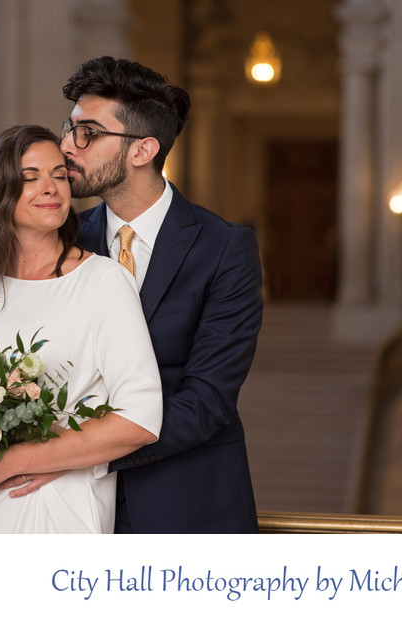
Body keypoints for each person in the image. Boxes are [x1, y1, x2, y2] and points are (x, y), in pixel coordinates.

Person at [0, 124, 162, 533]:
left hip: (50, 513)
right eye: (31, 178)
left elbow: (141, 419)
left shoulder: (103, 282)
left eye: (60, 175)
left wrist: (9, 462)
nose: (51, 188)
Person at [59, 56, 263, 533]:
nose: (67, 147)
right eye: (68, 130)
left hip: (187, 502)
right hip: (68, 505)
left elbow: (208, 400)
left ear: (142, 149)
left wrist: (76, 453)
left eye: (87, 132)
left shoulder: (225, 248)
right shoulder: (61, 240)